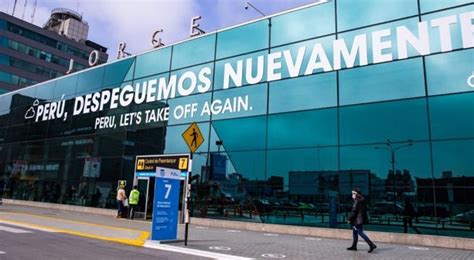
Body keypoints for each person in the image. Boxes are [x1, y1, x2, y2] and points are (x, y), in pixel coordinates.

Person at [347, 188, 377, 253]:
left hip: (357, 220)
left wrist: (349, 219)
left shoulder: (357, 201)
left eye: (353, 193)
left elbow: (354, 212)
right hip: (360, 219)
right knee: (355, 232)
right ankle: (354, 246)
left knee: (360, 232)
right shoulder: (362, 200)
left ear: (357, 194)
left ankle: (371, 244)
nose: (352, 195)